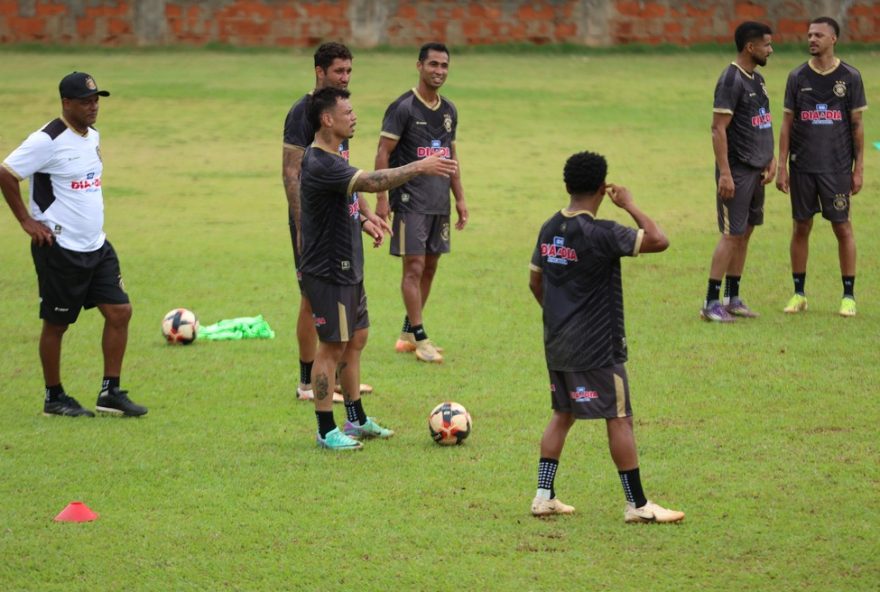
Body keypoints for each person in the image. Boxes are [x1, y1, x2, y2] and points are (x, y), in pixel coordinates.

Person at [528, 151, 683, 523]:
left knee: (562, 414)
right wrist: (629, 204)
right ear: (602, 188)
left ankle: (543, 496)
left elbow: (535, 282)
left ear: (567, 185)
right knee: (619, 418)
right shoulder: (602, 233)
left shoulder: (549, 227)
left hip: (557, 342)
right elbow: (659, 240)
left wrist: (558, 315)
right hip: (597, 347)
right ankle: (638, 504)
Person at [300, 87, 457, 450]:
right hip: (327, 269)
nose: (354, 116)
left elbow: (346, 197)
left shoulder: (336, 154)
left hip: (349, 263)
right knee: (331, 347)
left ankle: (355, 419)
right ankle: (326, 429)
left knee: (356, 340)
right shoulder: (321, 161)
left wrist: (363, 219)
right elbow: (372, 182)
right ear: (327, 119)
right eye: (348, 111)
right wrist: (420, 166)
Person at [0, 72, 147, 418]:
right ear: (67, 103)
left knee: (120, 311)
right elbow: (6, 173)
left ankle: (110, 392)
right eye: (85, 101)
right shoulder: (46, 139)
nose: (93, 106)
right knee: (57, 324)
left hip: (97, 246)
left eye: (96, 100)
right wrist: (26, 220)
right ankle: (54, 396)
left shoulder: (91, 135)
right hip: (60, 248)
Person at [282, 42, 374, 401]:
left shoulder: (339, 111)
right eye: (339, 71)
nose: (345, 77)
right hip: (314, 223)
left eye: (349, 71)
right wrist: (303, 227)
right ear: (319, 71)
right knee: (311, 297)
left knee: (342, 302)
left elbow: (347, 172)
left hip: (341, 219)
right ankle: (308, 382)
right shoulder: (302, 113)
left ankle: (336, 380)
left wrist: (364, 213)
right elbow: (291, 174)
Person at [374, 42, 468, 363]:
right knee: (413, 267)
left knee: (430, 266)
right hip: (409, 201)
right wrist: (382, 199)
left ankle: (408, 334)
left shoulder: (449, 110)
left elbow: (451, 156)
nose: (439, 71)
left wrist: (460, 198)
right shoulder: (403, 108)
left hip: (438, 202)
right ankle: (421, 336)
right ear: (419, 66)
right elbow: (382, 154)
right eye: (433, 65)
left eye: (444, 65)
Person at [776, 17, 867, 317]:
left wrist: (858, 168)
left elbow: (857, 126)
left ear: (833, 39)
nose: (812, 39)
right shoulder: (797, 77)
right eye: (809, 35)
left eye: (818, 35)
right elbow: (787, 124)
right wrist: (782, 166)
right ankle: (799, 293)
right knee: (801, 226)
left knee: (842, 227)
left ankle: (848, 296)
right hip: (802, 166)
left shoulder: (850, 77)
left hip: (837, 167)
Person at [701, 22, 776, 322]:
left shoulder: (757, 79)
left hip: (758, 169)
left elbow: (763, 120)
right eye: (767, 45)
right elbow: (718, 129)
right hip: (738, 171)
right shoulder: (731, 80)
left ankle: (733, 298)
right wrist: (726, 174)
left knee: (745, 233)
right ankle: (710, 302)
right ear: (750, 47)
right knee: (732, 235)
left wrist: (770, 159)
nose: (771, 49)